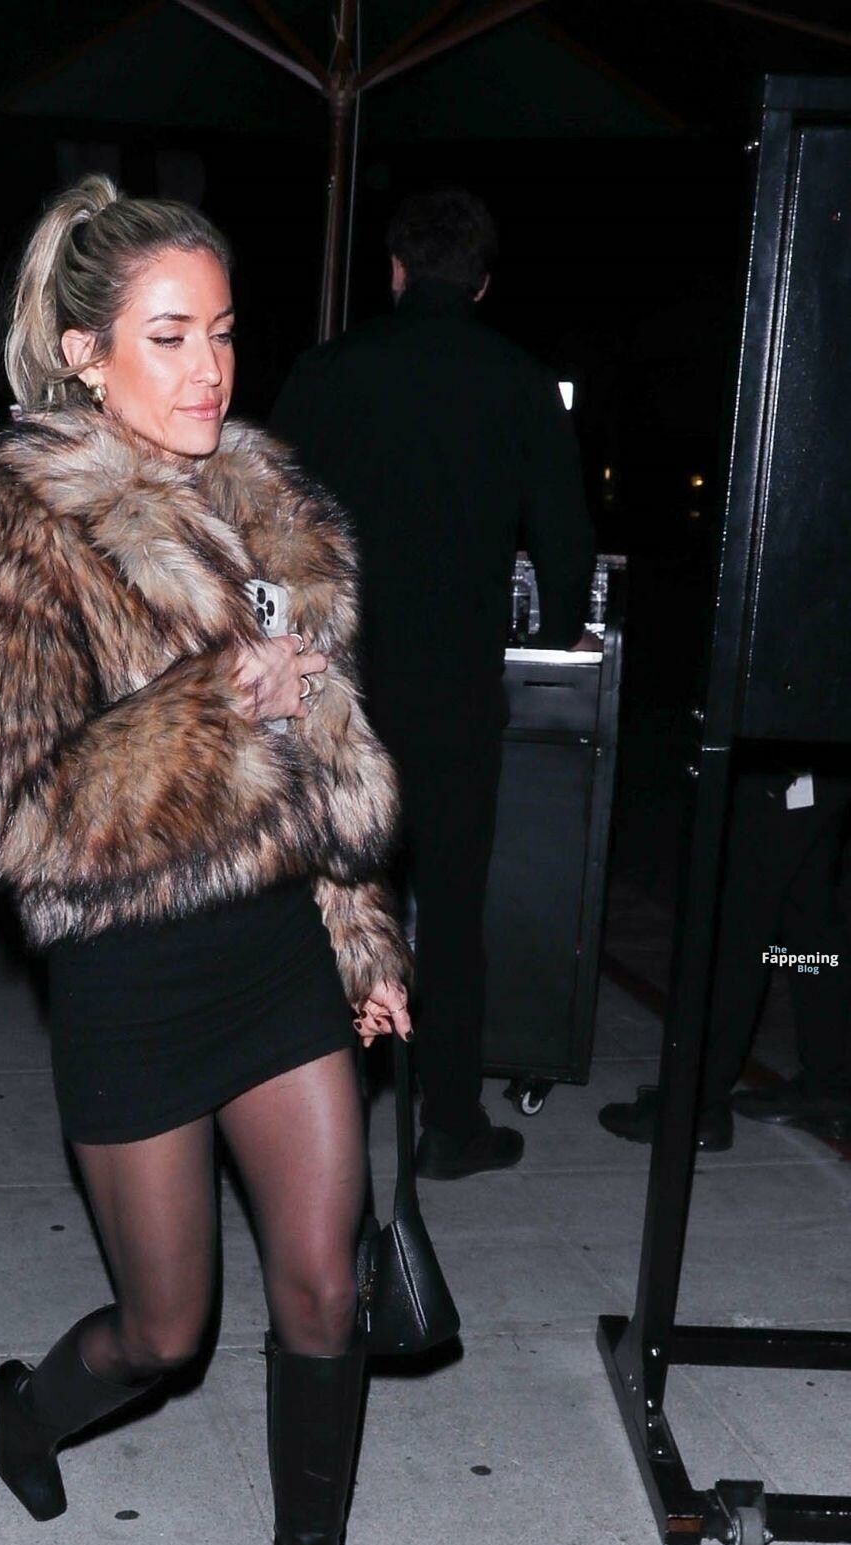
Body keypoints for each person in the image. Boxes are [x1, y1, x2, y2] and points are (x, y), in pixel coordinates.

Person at [0, 176, 411, 1545]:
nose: (207, 367)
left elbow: (325, 762)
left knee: (325, 1286)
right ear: (82, 352)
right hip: (132, 976)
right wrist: (212, 705)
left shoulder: (264, 502)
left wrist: (358, 931)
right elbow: (27, 819)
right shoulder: (13, 528)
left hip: (273, 952)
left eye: (220, 331)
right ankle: (30, 1411)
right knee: (165, 1332)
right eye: (166, 335)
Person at [271, 189, 595, 1179]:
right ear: (482, 283)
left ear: (396, 271)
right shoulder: (520, 382)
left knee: (330, 898)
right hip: (454, 687)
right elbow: (564, 535)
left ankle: (301, 1116)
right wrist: (555, 624)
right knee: (451, 912)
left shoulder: (328, 372)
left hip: (338, 685)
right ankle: (450, 1120)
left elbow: (267, 517)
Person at [600, 750, 851, 1149]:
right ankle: (829, 1084)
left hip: (783, 753)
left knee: (736, 928)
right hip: (821, 752)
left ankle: (697, 1103)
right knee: (808, 921)